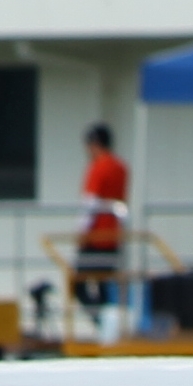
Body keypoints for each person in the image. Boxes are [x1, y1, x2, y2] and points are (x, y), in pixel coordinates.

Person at [73, 120, 133, 336]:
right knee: (104, 285)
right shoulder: (121, 168)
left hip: (96, 236)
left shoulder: (99, 167)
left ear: (95, 144)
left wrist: (81, 234)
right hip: (114, 236)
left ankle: (103, 325)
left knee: (77, 283)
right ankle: (109, 327)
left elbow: (90, 204)